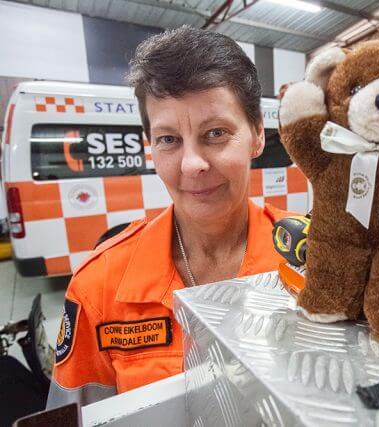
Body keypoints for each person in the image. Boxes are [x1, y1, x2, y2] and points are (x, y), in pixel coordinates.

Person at [47, 26, 295, 408]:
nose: (192, 164)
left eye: (215, 133)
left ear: (258, 134)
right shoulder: (99, 288)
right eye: (169, 139)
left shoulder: (312, 261)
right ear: (151, 148)